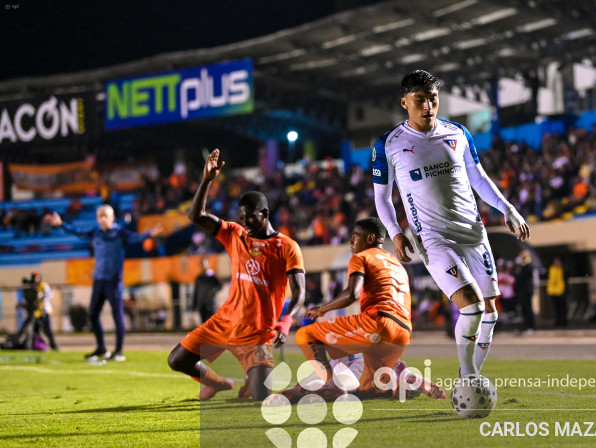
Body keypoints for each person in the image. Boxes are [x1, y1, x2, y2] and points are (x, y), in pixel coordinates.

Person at [372, 70, 530, 379]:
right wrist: (395, 233)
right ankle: (468, 377)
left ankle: (468, 376)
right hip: (432, 237)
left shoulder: (457, 133)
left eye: (433, 99)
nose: (428, 107)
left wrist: (507, 208)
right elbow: (382, 197)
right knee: (471, 307)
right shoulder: (388, 145)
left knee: (490, 312)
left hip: (472, 232)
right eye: (420, 101)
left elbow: (478, 178)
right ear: (405, 102)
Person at [167, 149, 306, 401]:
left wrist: (286, 321)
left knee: (259, 397)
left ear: (264, 214)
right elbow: (195, 216)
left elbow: (300, 291)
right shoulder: (234, 234)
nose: (245, 222)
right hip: (224, 323)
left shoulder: (287, 247)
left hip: (257, 333)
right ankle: (217, 383)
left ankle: (257, 386)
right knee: (177, 360)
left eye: (250, 216)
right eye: (241, 217)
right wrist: (207, 180)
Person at [283, 217, 444, 402]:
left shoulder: (361, 257)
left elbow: (352, 293)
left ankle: (330, 384)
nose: (351, 241)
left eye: (355, 236)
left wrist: (323, 309)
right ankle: (407, 378)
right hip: (404, 332)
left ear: (370, 238)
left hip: (379, 323)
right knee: (370, 390)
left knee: (305, 335)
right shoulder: (396, 264)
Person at [44, 206, 162, 361]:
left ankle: (118, 351)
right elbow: (78, 233)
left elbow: (136, 238)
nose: (102, 219)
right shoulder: (96, 232)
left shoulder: (120, 233)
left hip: (113, 281)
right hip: (99, 279)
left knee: (117, 315)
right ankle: (101, 348)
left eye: (105, 216)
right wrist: (61, 224)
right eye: (100, 216)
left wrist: (149, 234)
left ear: (112, 217)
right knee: (92, 314)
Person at [32, 272, 58, 350]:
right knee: (35, 330)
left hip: (44, 311)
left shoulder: (43, 285)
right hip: (37, 312)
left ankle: (54, 346)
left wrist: (42, 295)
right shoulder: (34, 287)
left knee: (47, 330)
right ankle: (36, 346)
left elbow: (50, 294)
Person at [192, 257, 222, 324]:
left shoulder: (211, 276)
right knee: (204, 323)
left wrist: (213, 291)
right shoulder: (199, 278)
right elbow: (196, 292)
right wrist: (194, 305)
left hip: (210, 303)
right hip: (202, 303)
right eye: (201, 265)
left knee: (211, 322)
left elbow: (219, 285)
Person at [514, 251, 536, 332]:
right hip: (522, 291)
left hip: (527, 290)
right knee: (523, 309)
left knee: (528, 308)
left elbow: (524, 274)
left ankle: (531, 326)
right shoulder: (520, 266)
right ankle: (525, 325)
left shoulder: (528, 265)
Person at [547, 258, 567, 327]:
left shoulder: (562, 269)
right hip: (554, 291)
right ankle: (558, 321)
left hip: (561, 291)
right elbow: (552, 280)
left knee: (563, 308)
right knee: (557, 308)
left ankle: (564, 321)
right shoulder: (552, 269)